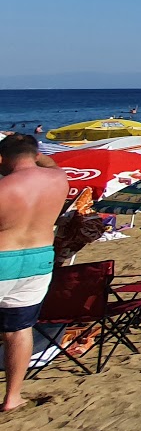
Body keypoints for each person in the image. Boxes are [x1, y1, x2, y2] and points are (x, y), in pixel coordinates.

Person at [0, 134, 70, 411]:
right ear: (36, 154)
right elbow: (48, 162)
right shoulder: (59, 178)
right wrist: (36, 154)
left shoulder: (5, 188)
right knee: (18, 330)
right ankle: (13, 397)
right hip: (39, 260)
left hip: (4, 257)